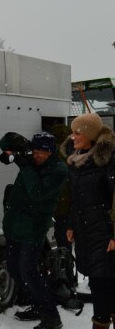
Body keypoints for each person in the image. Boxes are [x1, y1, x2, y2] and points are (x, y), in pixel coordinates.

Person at [0, 131, 67, 329]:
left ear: (50, 152)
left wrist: (25, 165)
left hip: (33, 229)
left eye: (41, 152)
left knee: (28, 271)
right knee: (13, 267)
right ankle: (38, 304)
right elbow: (4, 142)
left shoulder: (58, 170)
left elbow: (38, 193)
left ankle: (52, 317)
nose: (36, 155)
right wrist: (20, 144)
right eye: (34, 151)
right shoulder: (32, 158)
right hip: (13, 226)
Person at [61, 113, 115, 329]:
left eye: (78, 133)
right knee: (100, 279)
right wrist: (72, 224)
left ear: (91, 135)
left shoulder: (108, 160)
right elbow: (77, 198)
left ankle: (101, 322)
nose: (72, 137)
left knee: (102, 281)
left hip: (104, 233)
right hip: (86, 232)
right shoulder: (77, 159)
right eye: (72, 132)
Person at [50, 123, 73, 251]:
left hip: (57, 201)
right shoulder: (70, 150)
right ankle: (67, 264)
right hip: (69, 201)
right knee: (66, 237)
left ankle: (63, 263)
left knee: (60, 234)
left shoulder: (52, 152)